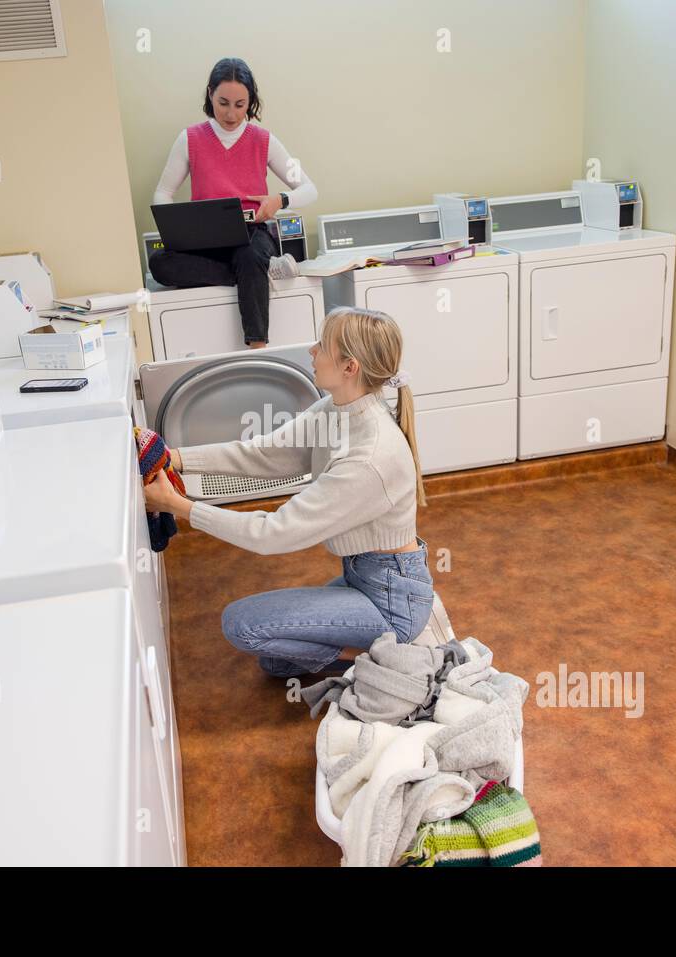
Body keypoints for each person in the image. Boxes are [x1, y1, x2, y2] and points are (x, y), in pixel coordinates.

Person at [143, 306, 433, 679]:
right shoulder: (335, 409)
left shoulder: (370, 457)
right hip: (363, 576)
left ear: (350, 367)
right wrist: (174, 457)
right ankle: (370, 647)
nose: (312, 351)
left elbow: (273, 533)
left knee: (243, 625)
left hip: (392, 599)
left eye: (322, 345)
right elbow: (263, 453)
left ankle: (385, 656)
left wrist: (179, 506)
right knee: (276, 662)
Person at [148, 57, 318, 349]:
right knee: (160, 264)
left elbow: (310, 189)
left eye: (240, 105)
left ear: (250, 101)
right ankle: (260, 272)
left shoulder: (264, 140)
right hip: (205, 240)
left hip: (252, 235)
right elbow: (163, 193)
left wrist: (280, 199)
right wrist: (176, 223)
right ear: (210, 94)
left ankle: (257, 347)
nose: (231, 113)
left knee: (250, 256)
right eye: (223, 102)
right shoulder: (189, 139)